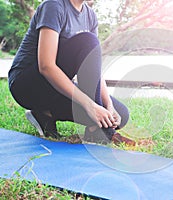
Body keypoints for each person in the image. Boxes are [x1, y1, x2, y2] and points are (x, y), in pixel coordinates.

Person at [8, 0, 135, 146]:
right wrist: (90, 106)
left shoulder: (90, 15)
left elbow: (94, 68)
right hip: (26, 85)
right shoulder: (54, 6)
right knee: (88, 40)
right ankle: (98, 131)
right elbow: (46, 66)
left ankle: (44, 115)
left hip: (55, 88)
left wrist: (108, 105)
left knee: (120, 115)